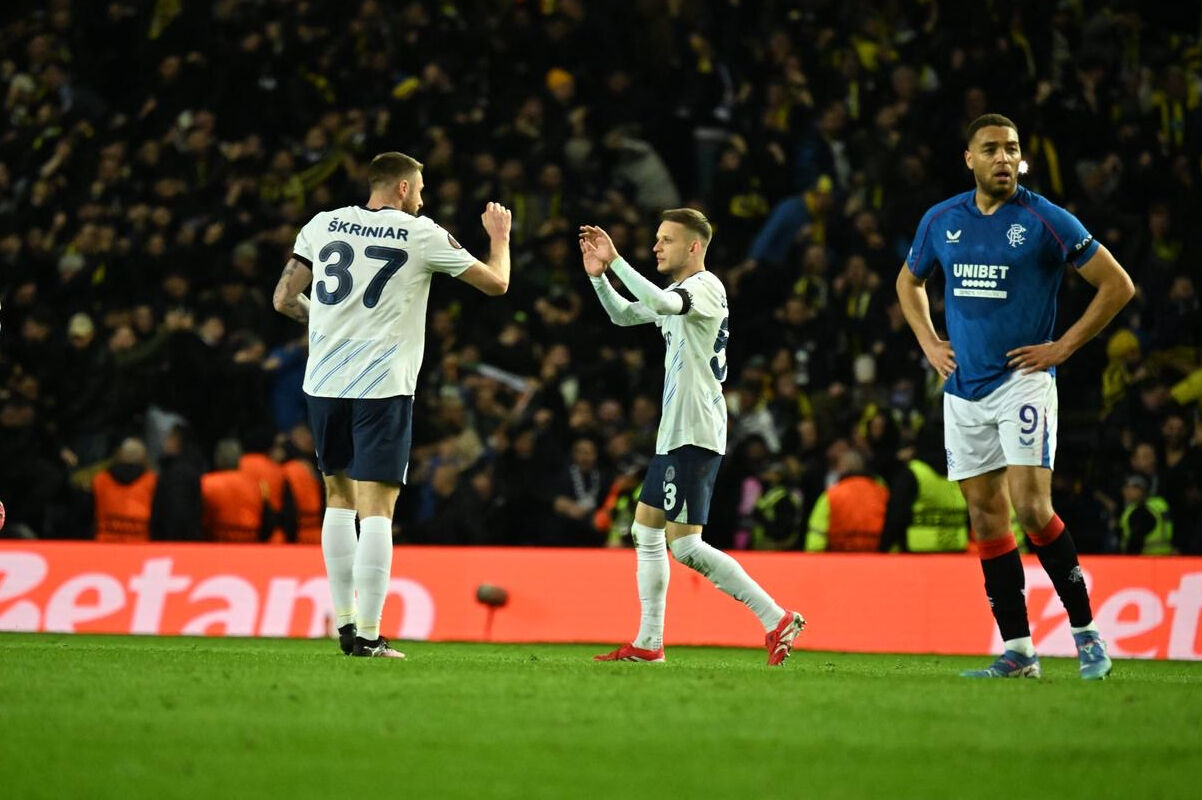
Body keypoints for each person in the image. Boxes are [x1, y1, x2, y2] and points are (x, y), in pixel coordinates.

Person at [895, 113, 1135, 679]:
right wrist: (930, 343)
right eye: (992, 149)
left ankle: (1087, 635)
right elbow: (910, 282)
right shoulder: (941, 220)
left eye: (1013, 149)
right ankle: (1020, 652)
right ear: (970, 159)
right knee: (985, 517)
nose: (1005, 158)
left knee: (1031, 506)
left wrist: (1063, 347)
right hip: (963, 389)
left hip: (1022, 381)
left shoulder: (1043, 218)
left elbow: (1116, 284)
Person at [273, 151, 512, 658]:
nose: (422, 199)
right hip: (382, 387)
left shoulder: (322, 224)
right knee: (377, 507)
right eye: (420, 189)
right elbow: (497, 284)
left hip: (324, 384)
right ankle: (369, 635)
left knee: (337, 498)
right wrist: (499, 239)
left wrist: (324, 326)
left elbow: (284, 300)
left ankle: (342, 624)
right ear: (403, 188)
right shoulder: (420, 232)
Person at [580, 209, 805, 666]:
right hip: (675, 431)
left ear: (694, 247)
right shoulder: (676, 293)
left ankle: (776, 617)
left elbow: (663, 306)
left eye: (665, 240)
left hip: (695, 431)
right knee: (646, 529)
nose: (656, 246)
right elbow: (625, 316)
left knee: (685, 545)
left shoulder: (705, 287)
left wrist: (617, 260)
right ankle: (648, 642)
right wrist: (600, 278)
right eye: (656, 239)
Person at [92, 437, 157, 542]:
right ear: (144, 458)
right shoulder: (152, 481)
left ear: (120, 455)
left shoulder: (100, 479)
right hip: (140, 543)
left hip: (105, 542)